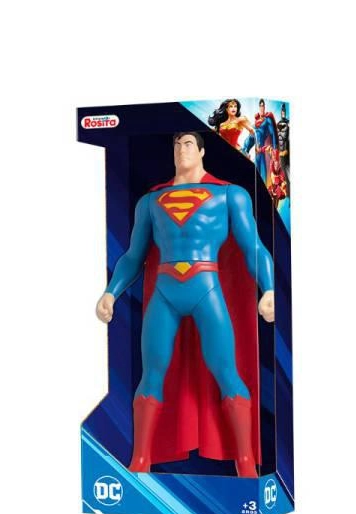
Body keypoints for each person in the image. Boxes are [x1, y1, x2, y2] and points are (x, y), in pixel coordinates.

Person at [95, 132, 274, 478]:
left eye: (188, 144)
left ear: (202, 151)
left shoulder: (229, 194)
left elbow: (253, 246)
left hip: (206, 286)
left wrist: (268, 289)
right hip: (165, 291)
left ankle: (245, 462)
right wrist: (110, 292)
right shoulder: (151, 201)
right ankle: (140, 461)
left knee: (226, 371)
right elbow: (133, 256)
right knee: (152, 373)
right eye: (176, 145)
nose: (181, 150)